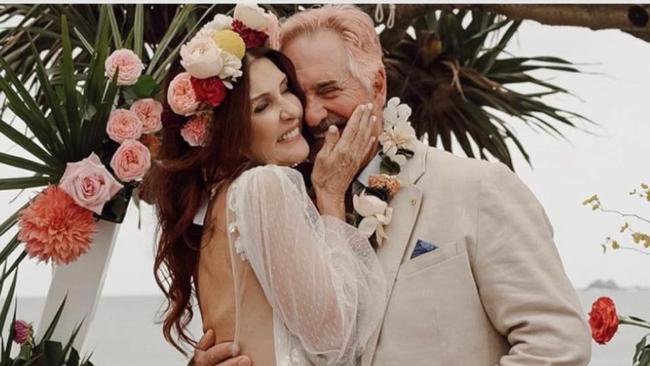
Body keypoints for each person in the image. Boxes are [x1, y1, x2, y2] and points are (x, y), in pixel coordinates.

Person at [193, 5, 592, 366]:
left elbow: (556, 346)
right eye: (298, 93)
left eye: (328, 90)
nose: (311, 114)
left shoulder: (478, 188)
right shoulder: (283, 204)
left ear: (378, 85)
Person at [146, 9, 387, 366]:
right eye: (262, 106)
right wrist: (332, 196)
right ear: (229, 131)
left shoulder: (219, 202)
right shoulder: (264, 185)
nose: (292, 111)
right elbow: (334, 338)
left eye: (285, 89)